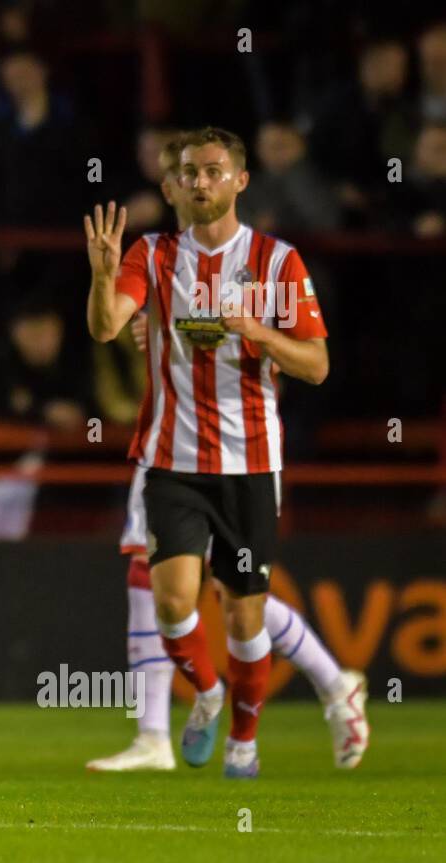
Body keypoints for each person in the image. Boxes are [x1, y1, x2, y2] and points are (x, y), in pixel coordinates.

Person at [87, 133, 368, 773]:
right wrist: (104, 277)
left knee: (244, 615)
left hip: (249, 463)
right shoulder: (153, 254)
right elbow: (106, 327)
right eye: (189, 173)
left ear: (241, 181)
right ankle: (206, 695)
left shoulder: (276, 262)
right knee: (170, 599)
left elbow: (318, 365)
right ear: (174, 186)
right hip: (171, 459)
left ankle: (245, 738)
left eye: (214, 171)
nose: (200, 182)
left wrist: (259, 332)